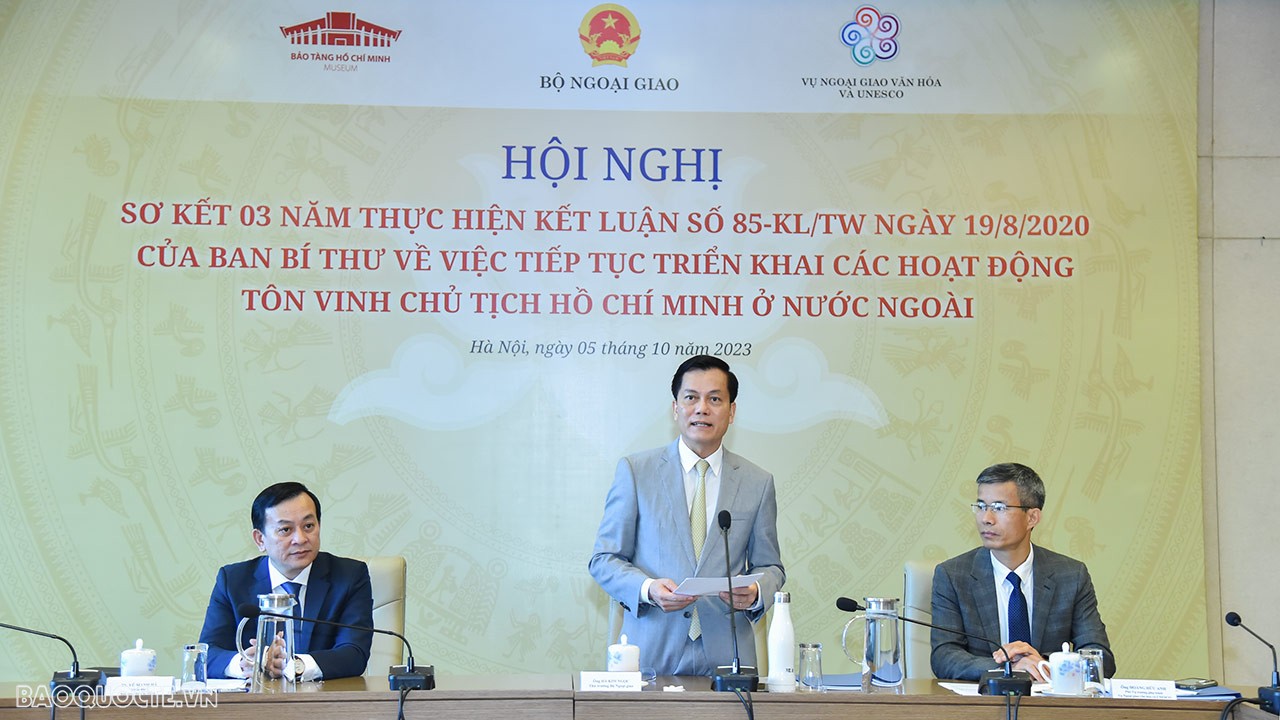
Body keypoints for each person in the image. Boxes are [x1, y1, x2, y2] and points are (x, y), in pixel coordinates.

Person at [589, 355, 786, 676]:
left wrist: (755, 592)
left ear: (732, 411)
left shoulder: (757, 482)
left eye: (715, 399)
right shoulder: (636, 472)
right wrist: (648, 588)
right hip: (651, 651)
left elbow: (771, 566)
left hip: (729, 655)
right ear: (675, 408)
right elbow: (604, 559)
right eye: (691, 398)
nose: (701, 408)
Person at [929, 462, 1116, 682]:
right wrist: (1009, 668)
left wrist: (1043, 665)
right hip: (984, 701)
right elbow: (944, 656)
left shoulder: (1071, 576)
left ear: (1032, 518)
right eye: (980, 506)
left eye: (999, 507)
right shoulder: (952, 575)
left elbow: (1100, 658)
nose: (986, 518)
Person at [199, 482, 373, 681]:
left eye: (308, 526)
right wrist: (246, 663)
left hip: (322, 697)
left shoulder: (349, 576)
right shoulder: (233, 580)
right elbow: (208, 654)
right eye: (285, 530)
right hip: (254, 699)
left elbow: (354, 653)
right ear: (260, 539)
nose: (300, 539)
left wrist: (293, 666)